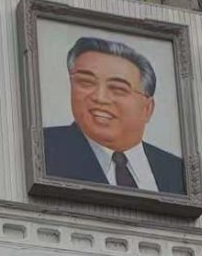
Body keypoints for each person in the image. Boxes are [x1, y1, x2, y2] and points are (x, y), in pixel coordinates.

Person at [43, 37, 185, 194]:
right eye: (86, 82)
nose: (99, 97)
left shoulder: (178, 172)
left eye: (118, 89)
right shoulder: (43, 149)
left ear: (147, 108)